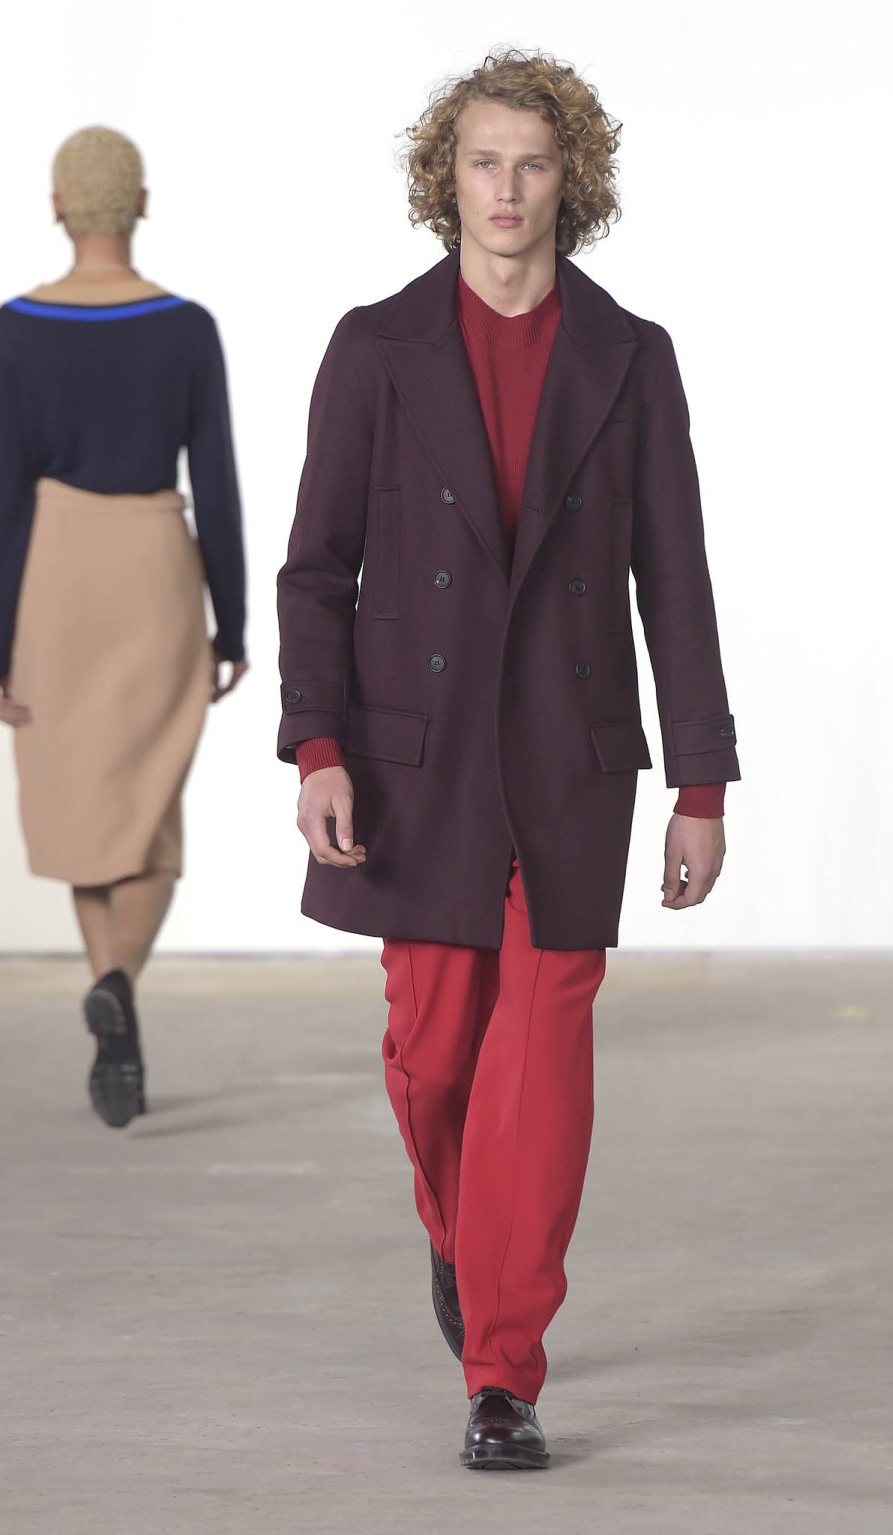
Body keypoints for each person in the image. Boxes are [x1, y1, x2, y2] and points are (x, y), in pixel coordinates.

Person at [277, 50, 738, 1469]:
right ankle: (456, 1230)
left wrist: (703, 782)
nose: (507, 188)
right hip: (412, 767)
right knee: (432, 1059)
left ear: (568, 182)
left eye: (533, 163)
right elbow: (316, 569)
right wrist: (317, 745)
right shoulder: (375, 347)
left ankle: (503, 1371)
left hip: (571, 764)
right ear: (448, 177)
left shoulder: (631, 356)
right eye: (484, 161)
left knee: (540, 1065)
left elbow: (677, 579)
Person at [0, 126, 247, 1130]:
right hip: (153, 568)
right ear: (139, 203)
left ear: (58, 206)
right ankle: (118, 996)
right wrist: (232, 620)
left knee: (84, 809)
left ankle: (112, 997)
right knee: (146, 810)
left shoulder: (12, 329)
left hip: (54, 574)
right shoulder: (186, 328)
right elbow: (215, 483)